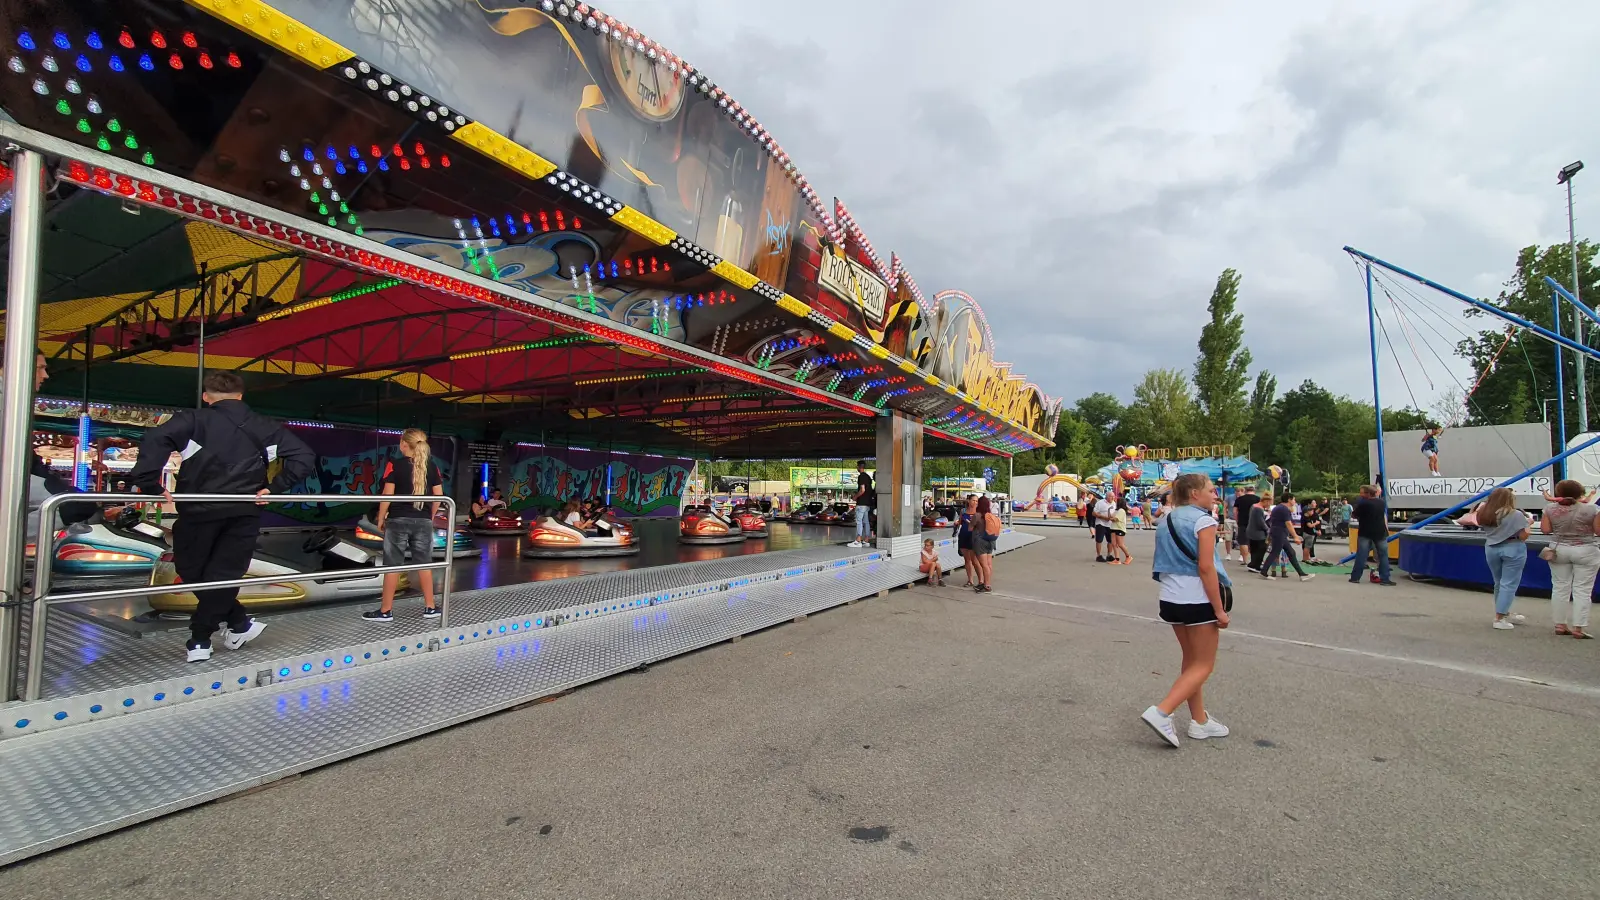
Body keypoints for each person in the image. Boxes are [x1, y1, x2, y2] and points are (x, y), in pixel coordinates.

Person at [128, 370, 315, 662]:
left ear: (207, 396)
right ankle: (239, 623)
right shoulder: (265, 426)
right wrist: (275, 487)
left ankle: (200, 639)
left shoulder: (192, 420)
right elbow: (304, 456)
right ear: (241, 396)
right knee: (223, 574)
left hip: (198, 509)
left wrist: (150, 484)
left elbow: (155, 437)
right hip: (245, 510)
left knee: (191, 571)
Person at [1141, 473, 1231, 747]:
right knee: (1203, 664)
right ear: (1194, 493)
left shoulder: (1165, 519)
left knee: (1191, 661)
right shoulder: (1204, 520)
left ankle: (1199, 722)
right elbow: (1206, 568)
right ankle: (1161, 712)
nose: (1215, 495)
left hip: (1169, 597)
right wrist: (1220, 609)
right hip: (1196, 598)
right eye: (1211, 490)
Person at [363, 428, 444, 622]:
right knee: (424, 564)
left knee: (393, 565)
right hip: (423, 521)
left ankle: (386, 611)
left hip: (398, 520)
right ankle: (430, 607)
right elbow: (439, 497)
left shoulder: (394, 465)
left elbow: (387, 495)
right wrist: (429, 517)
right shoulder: (432, 466)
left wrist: (381, 518)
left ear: (403, 445)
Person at [1539, 479, 1599, 638]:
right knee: (1582, 589)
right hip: (1586, 549)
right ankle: (1578, 628)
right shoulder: (1592, 509)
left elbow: (1545, 530)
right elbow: (1598, 531)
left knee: (1559, 587)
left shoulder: (1549, 509)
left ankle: (1560, 624)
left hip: (1559, 549)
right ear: (1580, 493)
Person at [1474, 487, 1530, 630]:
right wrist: (1528, 524)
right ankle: (1499, 617)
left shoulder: (1483, 513)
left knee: (1499, 582)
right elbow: (1524, 536)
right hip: (1513, 547)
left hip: (1491, 548)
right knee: (1509, 583)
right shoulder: (1516, 514)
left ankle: (1504, 612)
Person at [1349, 484, 1396, 586]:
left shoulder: (1364, 504)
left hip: (1365, 532)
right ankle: (1385, 579)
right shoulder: (1382, 503)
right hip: (1380, 532)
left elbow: (1354, 514)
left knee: (1362, 555)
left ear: (1367, 493)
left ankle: (1355, 577)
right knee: (1383, 556)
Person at [1261, 492, 1313, 582]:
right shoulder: (1284, 509)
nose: (1294, 501)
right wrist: (1295, 536)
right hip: (1279, 533)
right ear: (1289, 499)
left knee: (1291, 552)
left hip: (1279, 533)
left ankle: (1301, 574)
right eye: (1293, 499)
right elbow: (1288, 523)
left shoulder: (1278, 507)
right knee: (1275, 552)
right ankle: (1264, 571)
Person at [972, 496, 1002, 593]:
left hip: (981, 542)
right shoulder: (990, 515)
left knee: (984, 565)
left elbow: (970, 528)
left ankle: (987, 586)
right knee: (989, 564)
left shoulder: (977, 515)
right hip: (992, 541)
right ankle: (986, 583)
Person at [1231, 483, 1260, 564]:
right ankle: (1253, 560)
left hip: (1242, 522)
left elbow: (1235, 511)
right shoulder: (1258, 499)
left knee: (1243, 541)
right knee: (1254, 541)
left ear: (1245, 490)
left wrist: (1237, 520)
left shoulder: (1239, 499)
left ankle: (1245, 560)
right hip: (1255, 523)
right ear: (1254, 490)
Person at [849, 459, 874, 548]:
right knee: (866, 522)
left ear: (859, 467)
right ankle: (866, 540)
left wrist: (855, 497)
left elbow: (862, 490)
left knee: (859, 522)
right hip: (867, 503)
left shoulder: (861, 477)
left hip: (861, 503)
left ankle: (858, 540)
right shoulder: (868, 477)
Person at [955, 495, 978, 586]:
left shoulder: (979, 512)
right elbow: (960, 522)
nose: (975, 502)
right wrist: (957, 523)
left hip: (974, 537)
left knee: (975, 560)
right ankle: (970, 580)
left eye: (976, 501)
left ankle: (981, 580)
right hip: (963, 536)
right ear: (968, 501)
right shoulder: (963, 511)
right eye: (973, 500)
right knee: (967, 560)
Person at [1245, 494, 1270, 573]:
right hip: (1258, 533)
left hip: (1251, 530)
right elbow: (1261, 522)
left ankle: (1253, 564)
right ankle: (1255, 565)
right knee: (1261, 548)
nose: (1269, 505)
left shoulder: (1253, 506)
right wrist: (1267, 529)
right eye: (1269, 503)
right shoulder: (1259, 509)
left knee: (1254, 548)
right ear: (1265, 501)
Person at [1109, 495, 1132, 565]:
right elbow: (1111, 516)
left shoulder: (1121, 511)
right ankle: (1117, 559)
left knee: (1120, 544)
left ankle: (1128, 556)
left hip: (1119, 528)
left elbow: (1115, 519)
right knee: (1114, 544)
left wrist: (1111, 518)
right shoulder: (1116, 510)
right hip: (1113, 527)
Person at [1093, 492, 1114, 562]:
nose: (1113, 498)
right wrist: (1103, 517)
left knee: (1110, 540)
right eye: (1111, 496)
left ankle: (1109, 555)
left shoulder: (1114, 503)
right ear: (1107, 496)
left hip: (1110, 524)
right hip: (1101, 523)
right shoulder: (1100, 503)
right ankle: (1098, 555)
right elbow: (1094, 513)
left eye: (1113, 497)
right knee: (1099, 540)